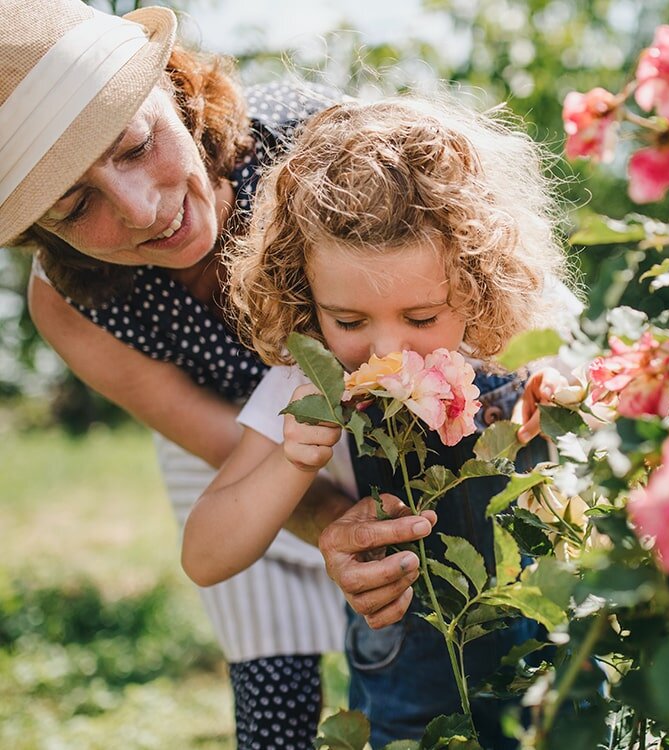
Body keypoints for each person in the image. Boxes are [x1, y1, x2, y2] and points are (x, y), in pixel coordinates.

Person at [1, 2, 433, 747]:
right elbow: (218, 453)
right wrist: (335, 528)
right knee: (274, 691)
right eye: (77, 208)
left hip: (392, 394)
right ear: (44, 231)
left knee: (425, 636)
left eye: (137, 145)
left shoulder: (321, 150)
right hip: (236, 437)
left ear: (175, 87)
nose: (141, 211)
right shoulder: (71, 304)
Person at [181, 96, 577, 748]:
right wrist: (292, 459)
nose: (386, 351)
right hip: (406, 692)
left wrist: (565, 411)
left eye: (421, 319)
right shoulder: (307, 382)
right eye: (349, 321)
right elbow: (205, 552)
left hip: (549, 666)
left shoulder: (513, 342)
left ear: (475, 282)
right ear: (305, 295)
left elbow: (605, 455)